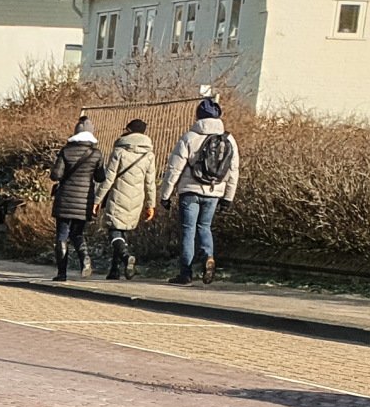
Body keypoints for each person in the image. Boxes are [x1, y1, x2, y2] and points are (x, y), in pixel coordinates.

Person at [160, 98, 239, 284]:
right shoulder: (228, 139)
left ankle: (185, 273)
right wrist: (228, 197)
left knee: (188, 230)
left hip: (190, 190)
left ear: (198, 116)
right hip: (214, 191)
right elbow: (233, 170)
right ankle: (207, 258)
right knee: (204, 227)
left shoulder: (189, 137)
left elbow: (174, 169)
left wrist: (165, 195)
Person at [91, 119, 157, 281]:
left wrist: (97, 200)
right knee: (123, 232)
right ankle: (115, 271)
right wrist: (151, 204)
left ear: (128, 130)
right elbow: (150, 182)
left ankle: (126, 257)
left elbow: (108, 179)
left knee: (114, 230)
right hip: (137, 198)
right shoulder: (149, 155)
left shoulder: (119, 151)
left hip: (118, 195)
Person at [48, 116, 103, 282]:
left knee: (62, 235)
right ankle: (85, 260)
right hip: (84, 200)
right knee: (77, 233)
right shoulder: (96, 153)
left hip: (64, 198)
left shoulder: (66, 151)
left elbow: (55, 175)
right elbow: (100, 177)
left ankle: (61, 273)